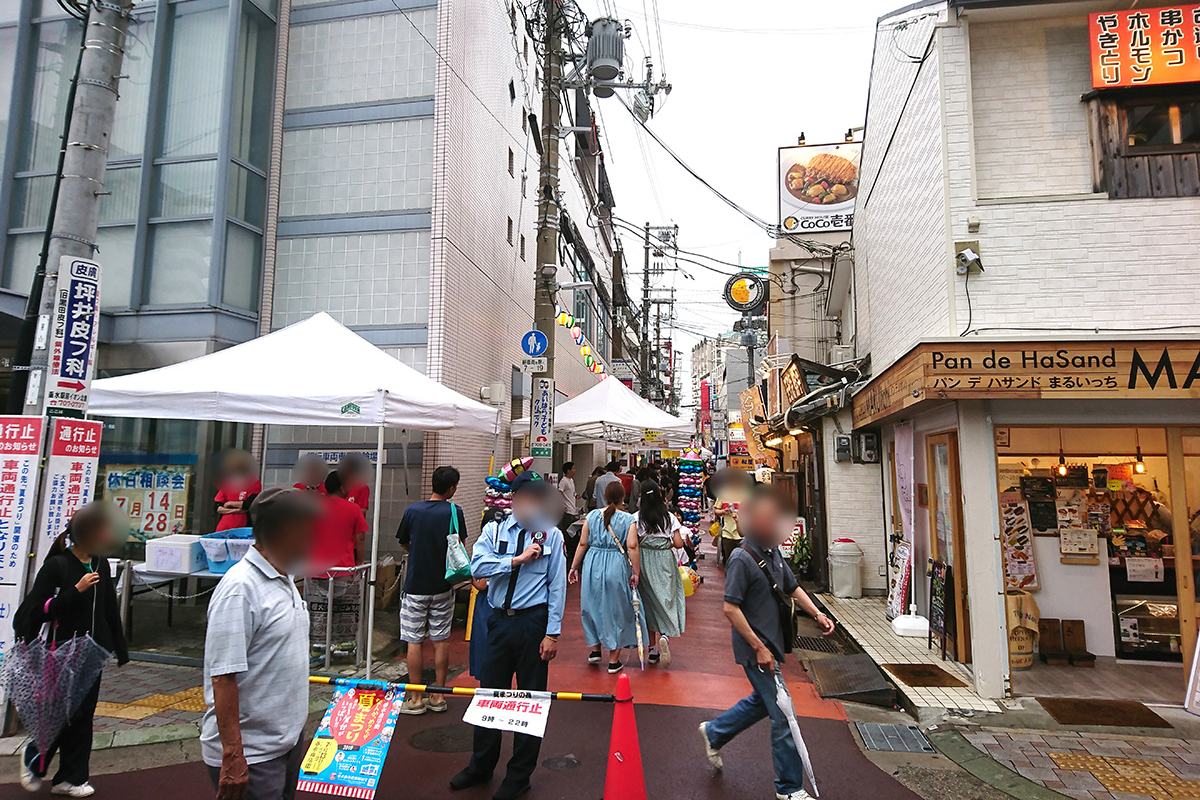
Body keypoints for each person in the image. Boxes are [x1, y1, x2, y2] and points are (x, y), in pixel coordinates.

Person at [698, 485, 835, 800]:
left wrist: (817, 614)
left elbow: (791, 586)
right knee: (783, 714)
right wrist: (759, 647)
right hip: (754, 649)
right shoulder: (741, 559)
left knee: (763, 702)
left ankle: (714, 732)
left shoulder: (772, 551)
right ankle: (789, 787)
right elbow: (729, 608)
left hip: (770, 645)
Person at [451, 471, 566, 800]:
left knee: (530, 700)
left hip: (533, 622)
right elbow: (477, 568)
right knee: (489, 693)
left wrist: (552, 633)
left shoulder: (551, 537)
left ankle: (519, 775)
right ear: (514, 499)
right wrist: (514, 561)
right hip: (499, 622)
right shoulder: (494, 529)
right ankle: (480, 765)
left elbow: (556, 586)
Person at [202, 488, 321, 800]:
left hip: (286, 742)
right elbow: (223, 676)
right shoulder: (240, 588)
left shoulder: (285, 577)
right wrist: (233, 755)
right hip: (252, 753)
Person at [17, 504, 129, 798]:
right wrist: (75, 590)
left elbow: (108, 609)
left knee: (83, 716)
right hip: (59, 653)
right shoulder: (57, 566)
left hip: (91, 655)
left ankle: (71, 778)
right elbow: (33, 612)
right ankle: (34, 759)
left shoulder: (101, 563)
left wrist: (119, 648)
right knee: (59, 714)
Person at [395, 465, 467, 714]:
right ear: (452, 488)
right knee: (440, 640)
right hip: (443, 585)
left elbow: (403, 541)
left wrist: (416, 552)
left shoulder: (413, 510)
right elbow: (460, 546)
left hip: (415, 585)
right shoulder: (454, 512)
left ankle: (415, 698)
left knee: (414, 641)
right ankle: (438, 695)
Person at [569, 480, 645, 674]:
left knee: (592, 606)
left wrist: (574, 566)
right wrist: (636, 572)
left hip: (592, 564)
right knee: (616, 610)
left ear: (604, 497)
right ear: (623, 498)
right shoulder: (628, 519)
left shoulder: (592, 516)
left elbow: (582, 543)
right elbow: (632, 546)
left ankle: (595, 650)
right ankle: (613, 660)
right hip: (616, 565)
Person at [306, 471, 369, 652]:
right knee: (344, 609)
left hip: (317, 567)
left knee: (318, 609)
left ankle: (317, 647)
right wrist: (359, 562)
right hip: (344, 567)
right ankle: (344, 648)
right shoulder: (353, 509)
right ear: (342, 488)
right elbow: (360, 538)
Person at [633, 481, 686, 667]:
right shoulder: (669, 517)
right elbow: (679, 543)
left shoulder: (636, 517)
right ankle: (665, 634)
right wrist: (667, 544)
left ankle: (653, 650)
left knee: (648, 604)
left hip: (644, 561)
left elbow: (632, 543)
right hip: (664, 560)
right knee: (666, 599)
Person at [214, 450, 261, 532]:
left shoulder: (253, 483)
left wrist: (229, 503)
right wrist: (235, 510)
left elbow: (249, 504)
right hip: (224, 527)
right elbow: (217, 507)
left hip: (244, 528)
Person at [713, 468, 751, 567]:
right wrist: (723, 511)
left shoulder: (746, 494)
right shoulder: (723, 494)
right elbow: (716, 511)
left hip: (743, 533)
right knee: (729, 559)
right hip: (727, 532)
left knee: (743, 560)